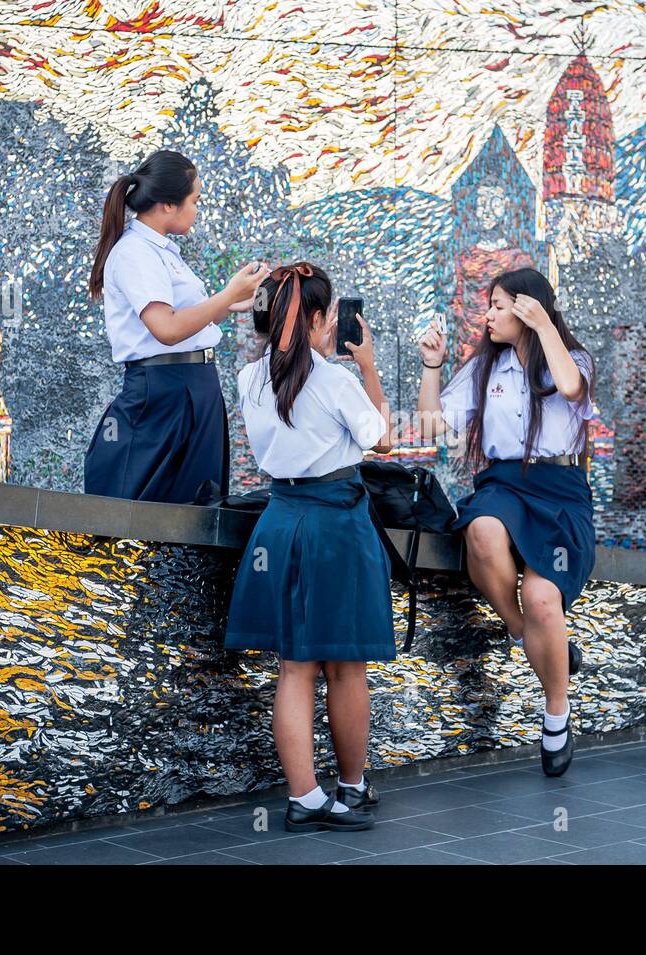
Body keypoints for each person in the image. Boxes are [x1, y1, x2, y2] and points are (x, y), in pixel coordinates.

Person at [224, 262, 396, 832]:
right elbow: (383, 439)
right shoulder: (334, 380)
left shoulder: (249, 380)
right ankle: (351, 784)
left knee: (294, 668)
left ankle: (305, 796)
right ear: (318, 317)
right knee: (347, 665)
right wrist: (368, 366)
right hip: (335, 526)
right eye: (328, 316)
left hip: (279, 523)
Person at [415, 267, 596, 776]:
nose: (487, 314)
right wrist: (432, 366)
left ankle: (556, 712)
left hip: (560, 493)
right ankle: (521, 632)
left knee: (543, 597)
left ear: (525, 308)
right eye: (488, 305)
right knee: (482, 531)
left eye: (497, 305)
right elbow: (432, 426)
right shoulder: (484, 368)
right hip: (504, 486)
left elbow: (569, 386)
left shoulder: (571, 357)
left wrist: (545, 328)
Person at [84, 148, 268, 504]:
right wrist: (227, 293)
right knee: (160, 504)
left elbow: (186, 324)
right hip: (164, 390)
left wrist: (229, 302)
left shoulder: (162, 250)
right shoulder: (136, 251)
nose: (197, 209)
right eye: (194, 200)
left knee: (199, 500)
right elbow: (165, 329)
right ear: (168, 204)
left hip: (193, 386)